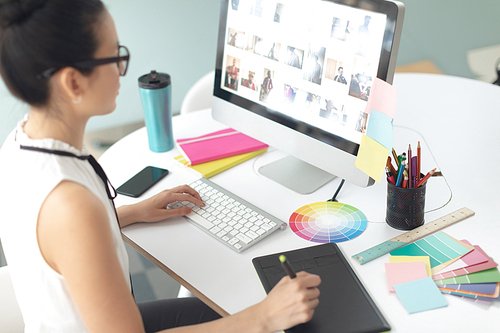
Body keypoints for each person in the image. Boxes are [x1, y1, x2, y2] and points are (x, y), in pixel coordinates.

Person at [0, 1, 321, 332]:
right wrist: (263, 318)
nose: (123, 68)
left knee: (235, 306)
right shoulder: (72, 205)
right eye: (116, 56)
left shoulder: (19, 144)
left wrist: (131, 212)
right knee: (270, 317)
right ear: (73, 83)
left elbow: (58, 242)